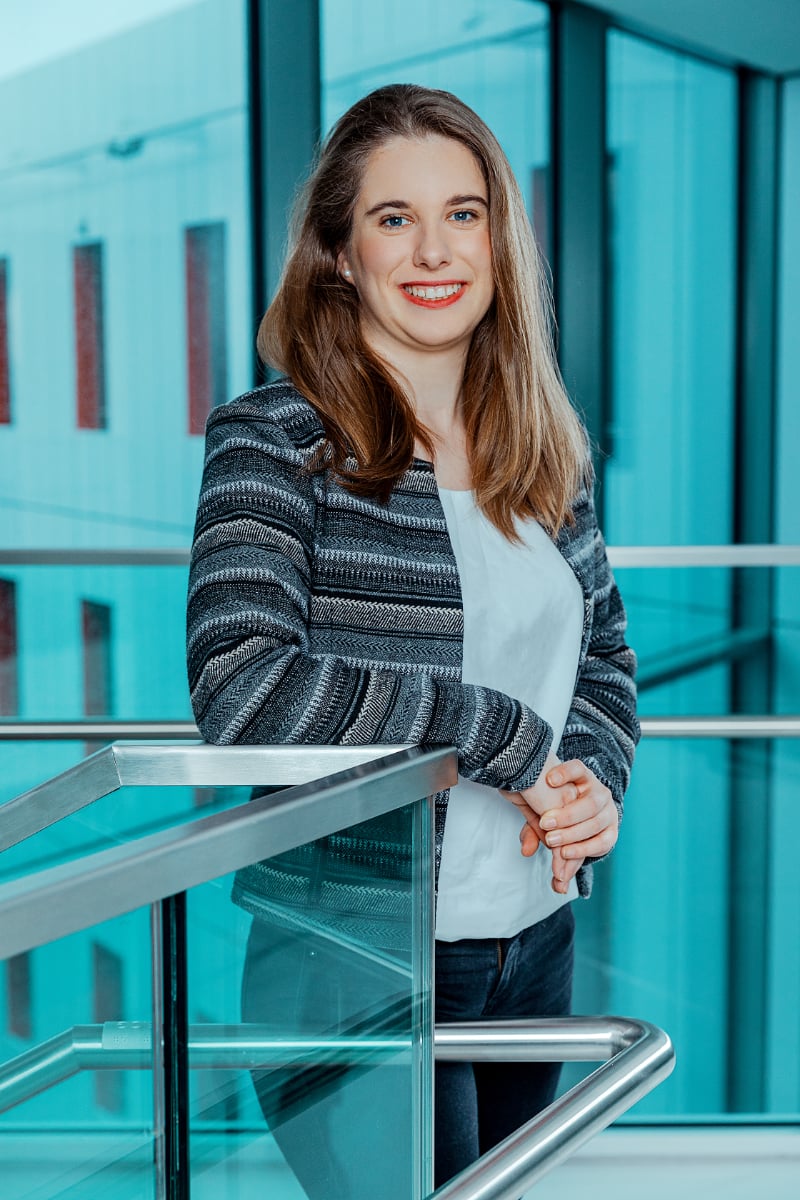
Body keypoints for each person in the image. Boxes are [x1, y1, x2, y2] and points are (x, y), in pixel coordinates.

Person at [187, 83, 638, 1196]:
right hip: (353, 954)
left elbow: (604, 658)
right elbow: (243, 689)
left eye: (464, 212)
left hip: (531, 938)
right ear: (338, 253)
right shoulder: (274, 438)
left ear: (499, 240)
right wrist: (510, 740)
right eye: (394, 218)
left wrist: (594, 778)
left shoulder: (539, 444)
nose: (434, 249)